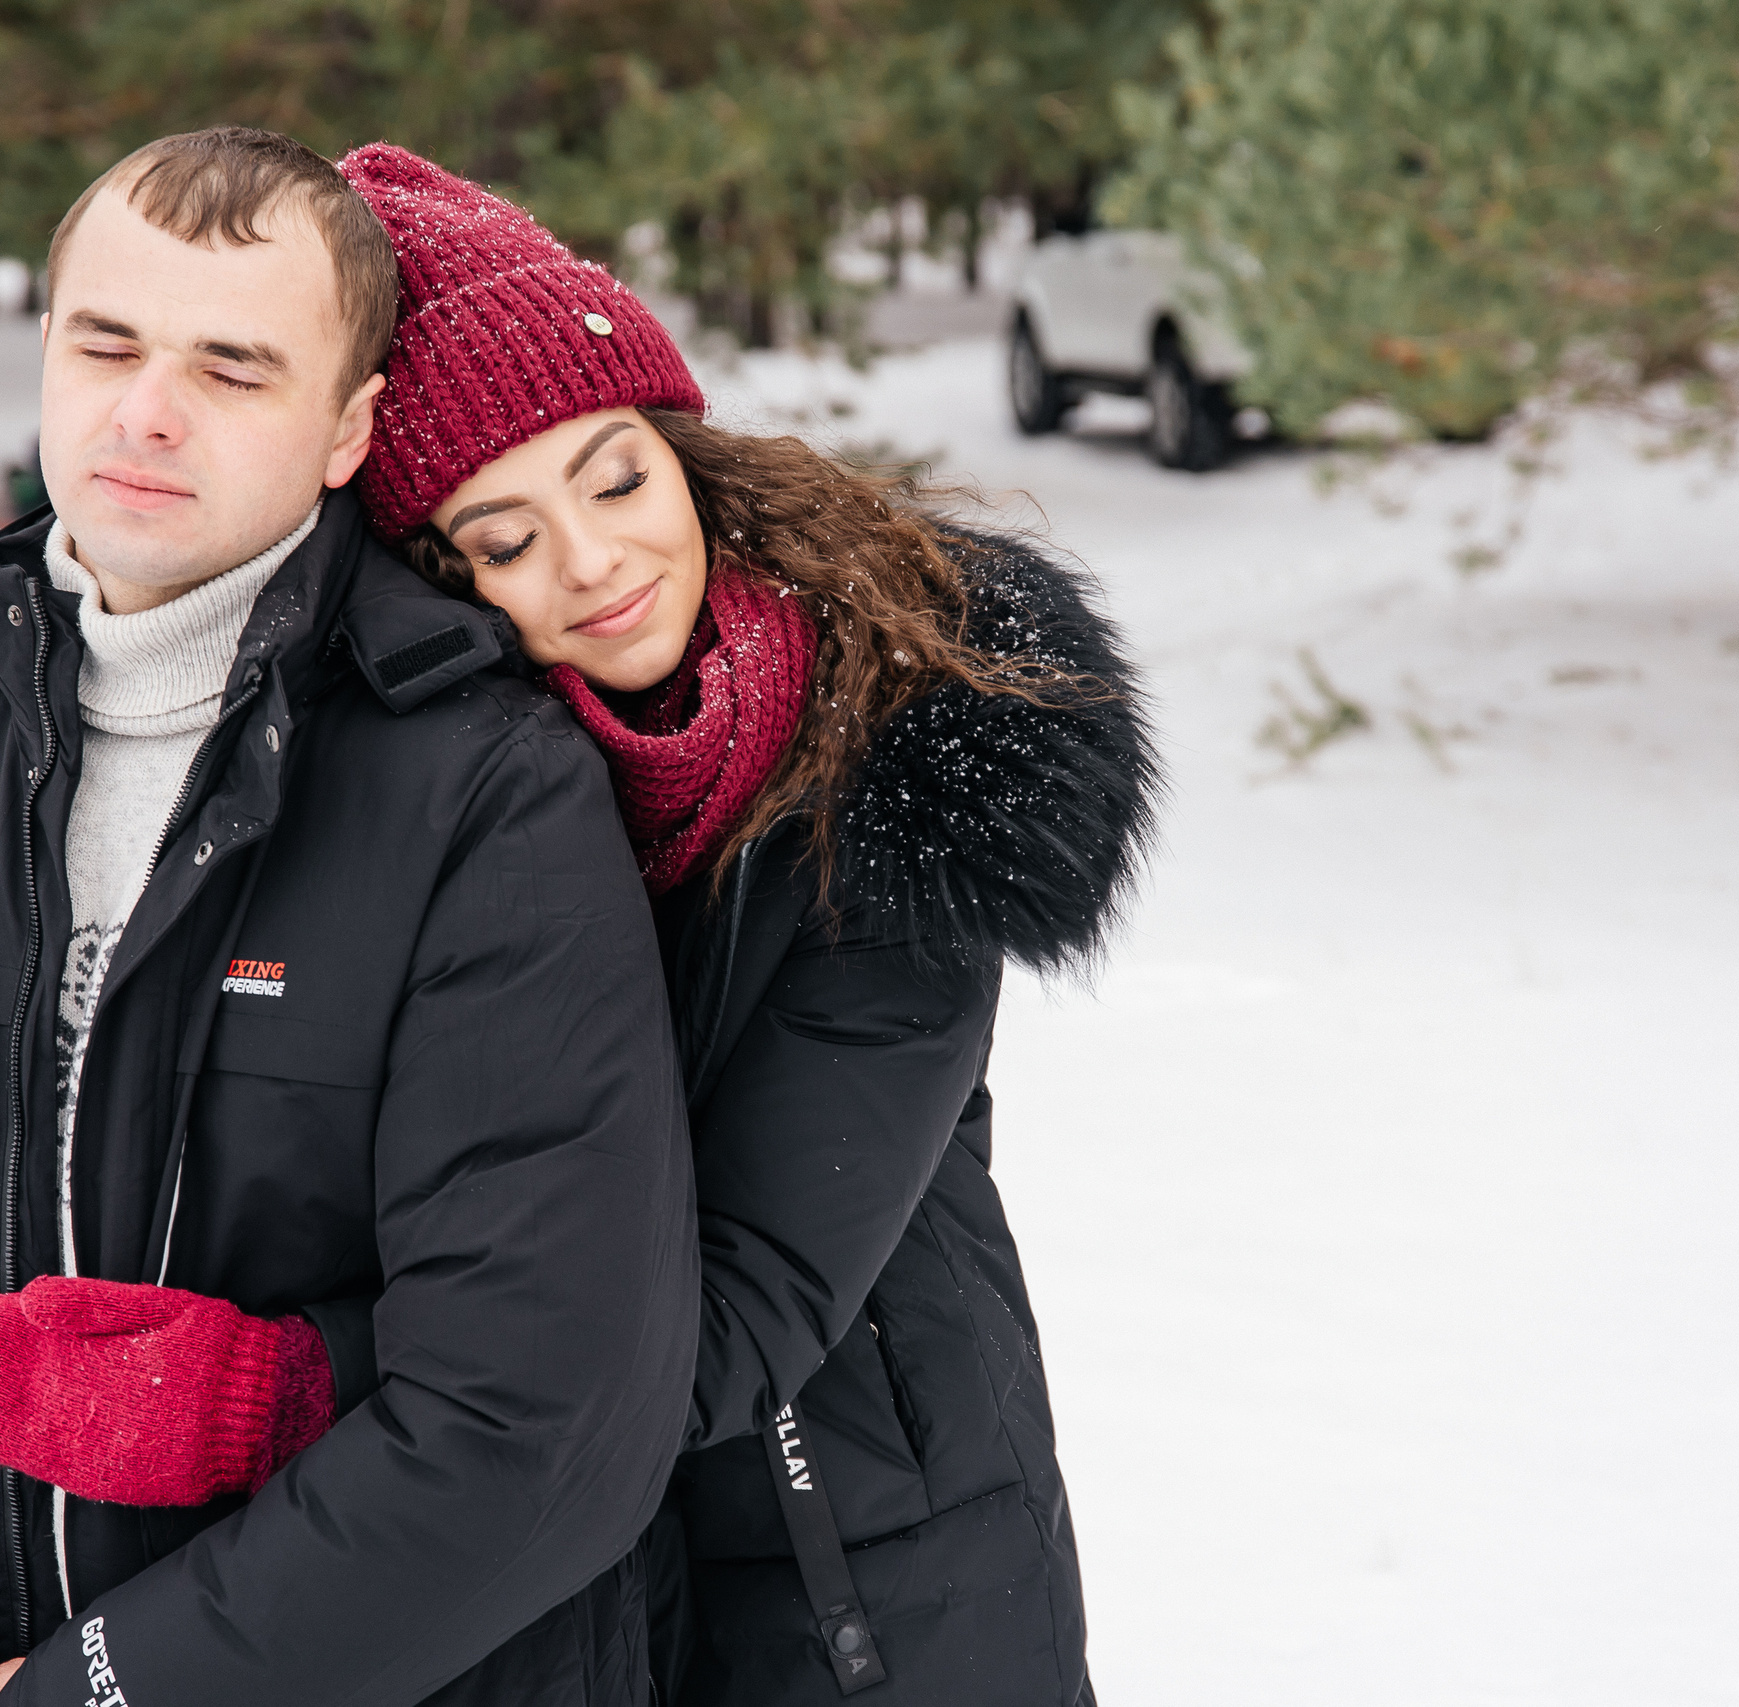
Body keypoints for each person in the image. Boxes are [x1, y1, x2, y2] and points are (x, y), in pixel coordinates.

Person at [0, 127, 696, 1707]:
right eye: (106, 344)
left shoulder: (481, 792)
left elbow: (537, 1421)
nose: (145, 411)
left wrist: (100, 1689)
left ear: (350, 429)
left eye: (234, 368)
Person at [337, 143, 1158, 1706]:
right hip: (567, 1599)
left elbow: (735, 1315)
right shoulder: (468, 800)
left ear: (681, 447)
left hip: (873, 1592)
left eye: (615, 477)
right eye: (504, 539)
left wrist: (285, 1385)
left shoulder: (891, 770)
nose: (594, 566)